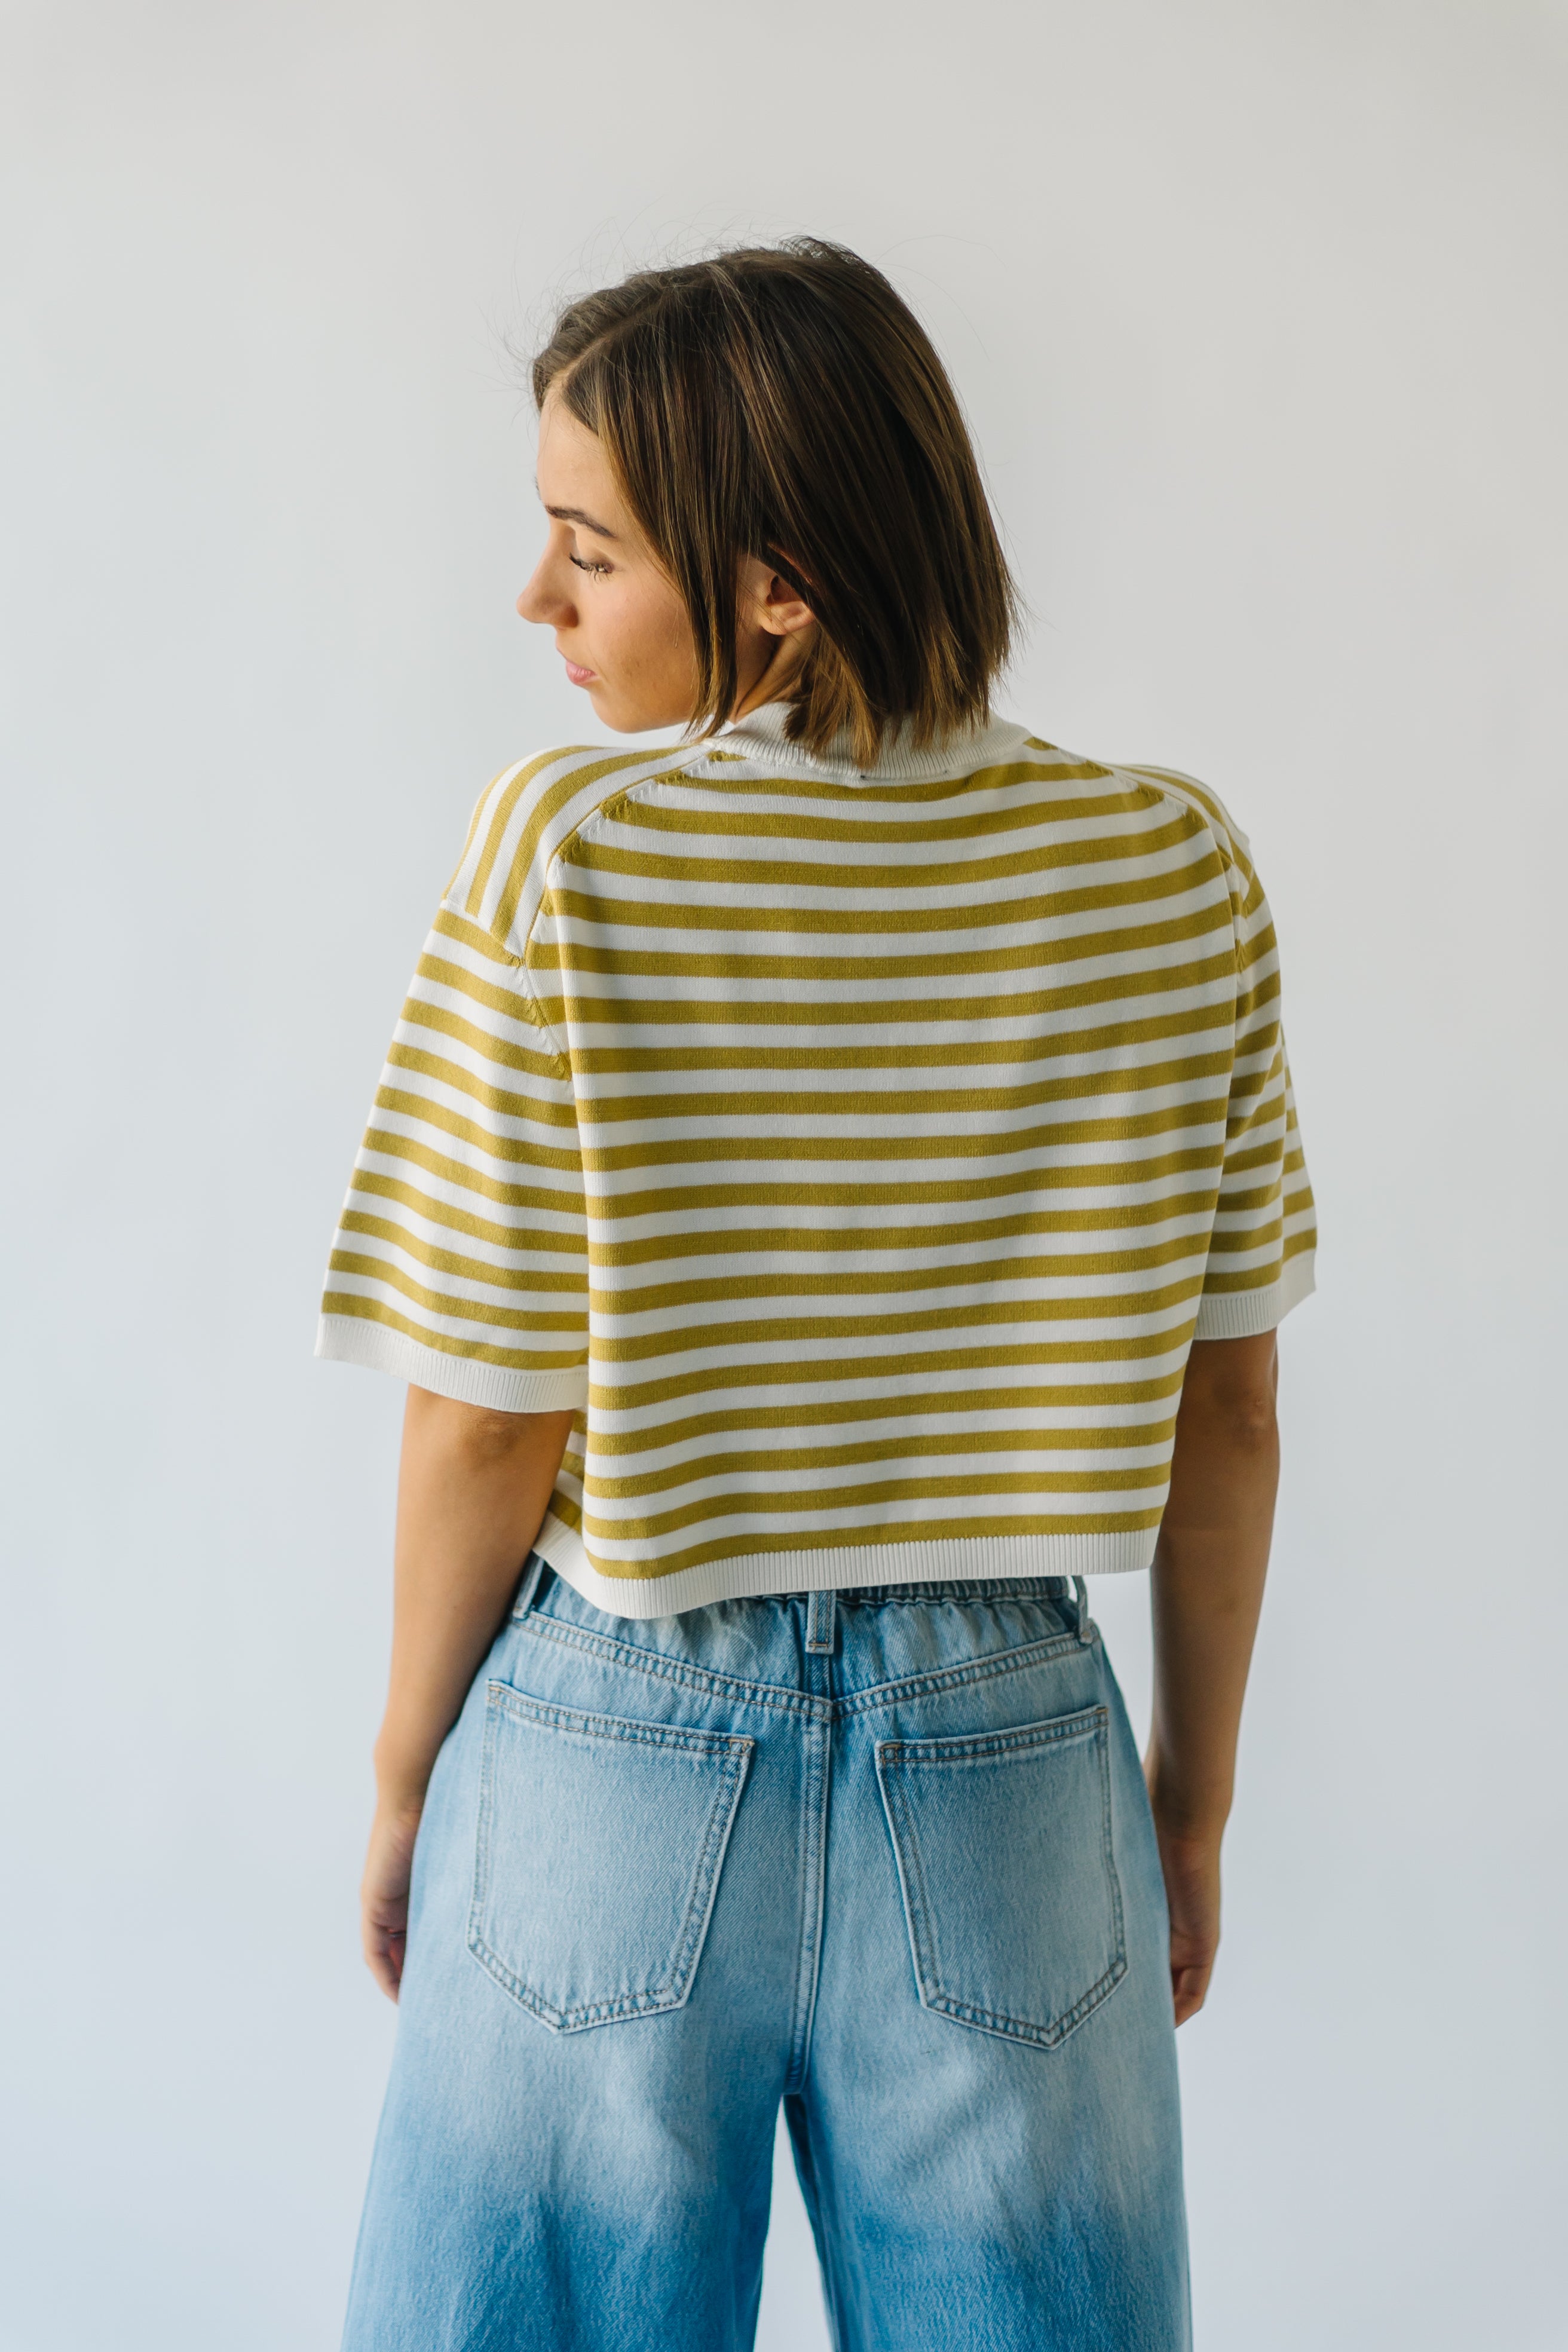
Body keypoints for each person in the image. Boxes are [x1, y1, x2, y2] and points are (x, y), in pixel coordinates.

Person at [318, 238, 1315, 2352]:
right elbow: (1228, 1416)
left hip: (615, 1729)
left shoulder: (570, 850)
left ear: (773, 583)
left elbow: (490, 1416)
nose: (540, 605)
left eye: (586, 551)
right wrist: (1189, 1806)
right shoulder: (1173, 865)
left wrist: (412, 1773)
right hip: (1018, 1760)